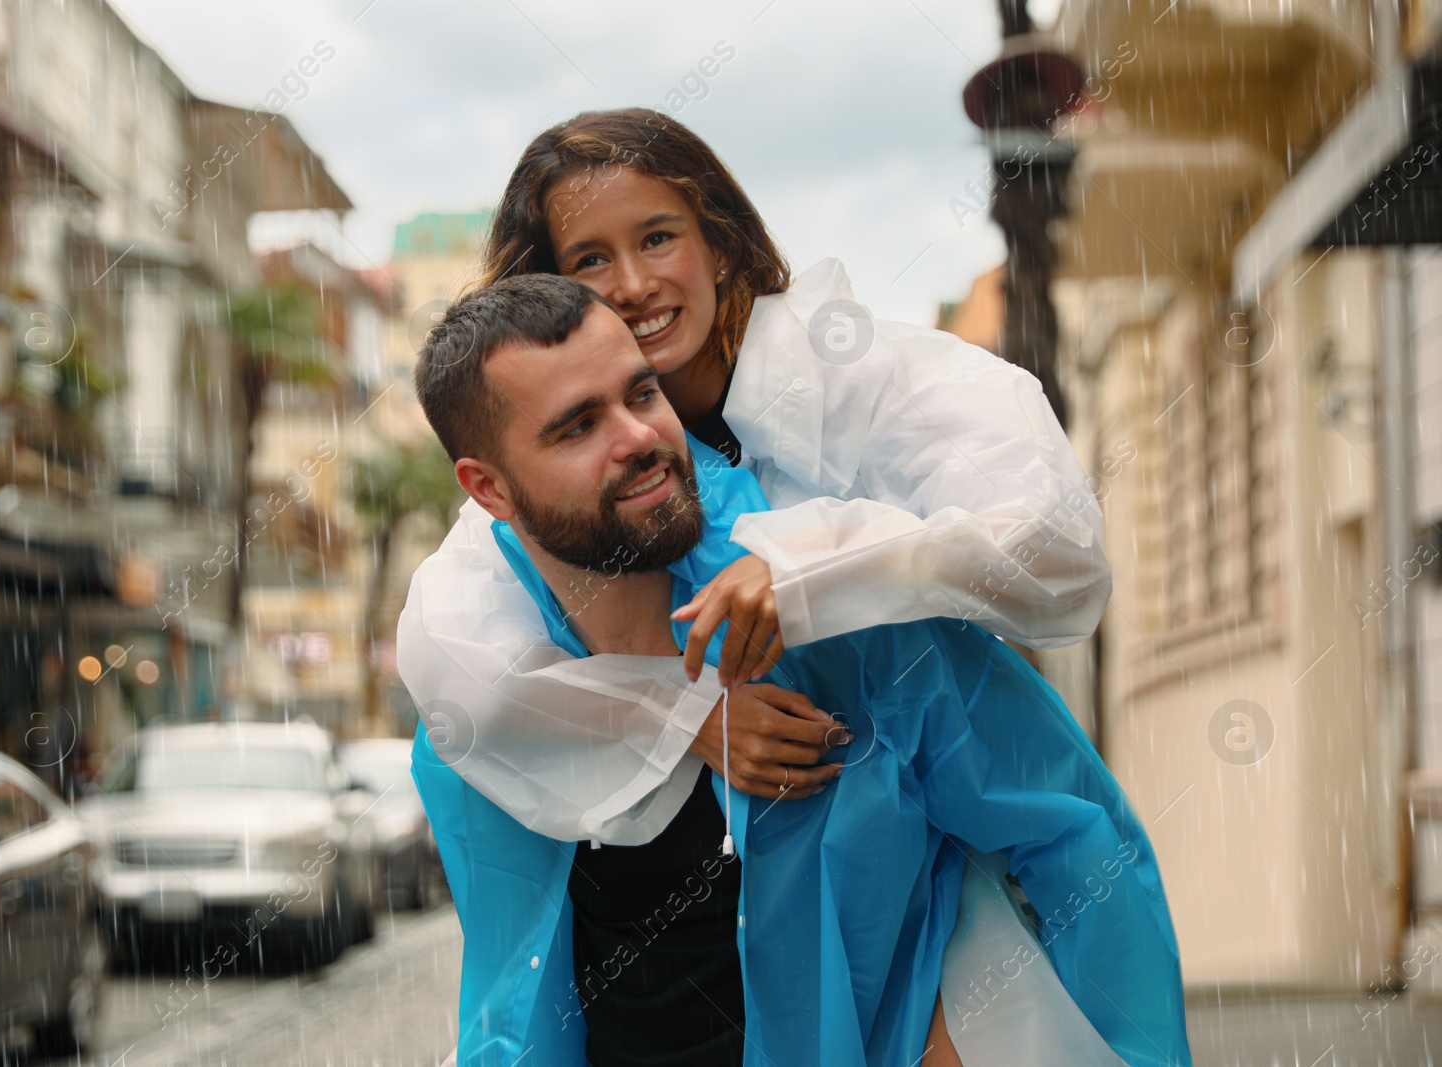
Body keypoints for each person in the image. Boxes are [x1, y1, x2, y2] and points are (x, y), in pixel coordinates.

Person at [407, 274, 1189, 1067]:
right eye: (577, 425)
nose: (638, 435)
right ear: (488, 488)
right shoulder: (487, 714)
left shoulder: (829, 614)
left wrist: (1094, 1038)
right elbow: (514, 984)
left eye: (641, 393)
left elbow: (1076, 828)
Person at [397, 108, 1110, 848]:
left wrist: (808, 571)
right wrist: (684, 718)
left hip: (983, 847)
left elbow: (1058, 551)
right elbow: (453, 661)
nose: (635, 285)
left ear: (720, 241)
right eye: (591, 260)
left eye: (658, 237)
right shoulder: (545, 471)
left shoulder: (867, 376)